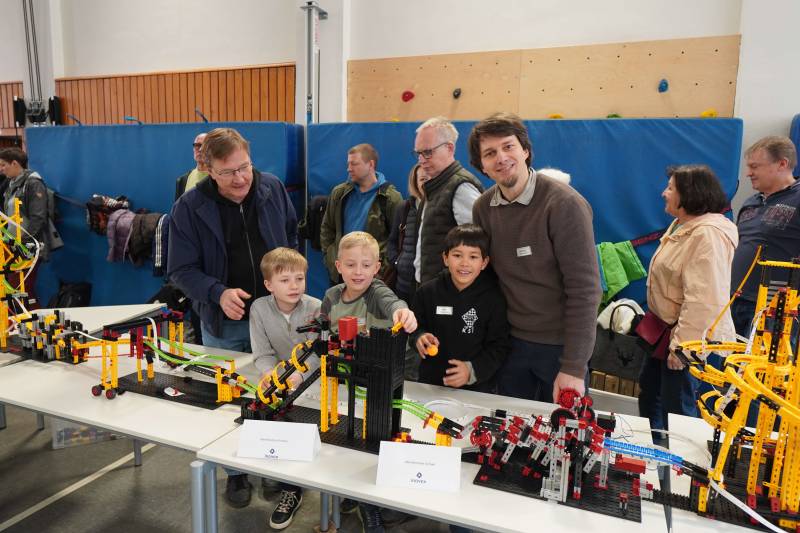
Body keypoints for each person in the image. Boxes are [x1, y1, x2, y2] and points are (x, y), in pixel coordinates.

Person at [168, 127, 297, 506]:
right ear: (208, 170)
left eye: (245, 167)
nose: (241, 178)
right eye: (228, 172)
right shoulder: (188, 208)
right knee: (230, 399)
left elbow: (291, 238)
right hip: (225, 324)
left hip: (276, 320)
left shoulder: (272, 187)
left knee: (279, 394)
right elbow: (180, 269)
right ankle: (235, 473)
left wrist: (288, 286)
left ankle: (275, 466)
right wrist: (218, 293)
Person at [469, 112, 601, 403]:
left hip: (560, 349)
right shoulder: (482, 208)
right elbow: (485, 280)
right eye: (490, 153)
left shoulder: (565, 204)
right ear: (482, 166)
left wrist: (574, 367)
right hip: (509, 346)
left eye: (508, 146)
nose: (501, 158)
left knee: (565, 430)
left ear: (525, 151)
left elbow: (586, 290)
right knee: (514, 428)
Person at [321, 231, 416, 533]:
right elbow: (324, 333)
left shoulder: (376, 292)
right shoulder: (331, 297)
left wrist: (402, 312)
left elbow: (392, 302)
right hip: (344, 384)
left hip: (376, 386)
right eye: (350, 265)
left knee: (374, 444)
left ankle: (369, 504)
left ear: (377, 268)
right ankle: (352, 492)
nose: (358, 272)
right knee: (346, 445)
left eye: (365, 265)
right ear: (338, 266)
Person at [638, 165, 738, 439]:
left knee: (678, 410)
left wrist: (685, 349)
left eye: (671, 188)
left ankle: (683, 464)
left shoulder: (708, 234)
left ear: (690, 194)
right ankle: (652, 453)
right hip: (663, 333)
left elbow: (705, 299)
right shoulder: (684, 224)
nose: (664, 193)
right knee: (651, 393)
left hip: (683, 340)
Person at [250, 247, 321, 529]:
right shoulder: (259, 308)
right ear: (269, 284)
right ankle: (280, 476)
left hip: (312, 382)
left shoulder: (316, 307)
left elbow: (318, 353)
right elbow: (262, 352)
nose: (294, 286)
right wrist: (268, 372)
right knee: (266, 418)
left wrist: (300, 376)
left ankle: (292, 489)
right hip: (279, 379)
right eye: (285, 280)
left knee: (300, 425)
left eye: (299, 279)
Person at [410, 224, 511, 394]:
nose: (464, 263)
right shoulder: (427, 292)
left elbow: (500, 348)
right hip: (431, 384)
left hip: (477, 391)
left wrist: (472, 371)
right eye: (457, 255)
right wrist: (419, 338)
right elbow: (414, 330)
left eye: (473, 257)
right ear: (445, 258)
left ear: (484, 262)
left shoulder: (494, 299)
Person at [730, 136, 800, 339]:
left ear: (782, 164)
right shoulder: (751, 201)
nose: (748, 173)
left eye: (755, 166)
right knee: (730, 358)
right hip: (734, 299)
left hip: (775, 307)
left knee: (764, 360)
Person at [412, 117, 485, 288]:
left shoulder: (461, 187)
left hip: (449, 291)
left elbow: (478, 246)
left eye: (427, 152)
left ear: (449, 148)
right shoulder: (435, 186)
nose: (421, 160)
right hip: (429, 287)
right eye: (418, 153)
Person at [320, 144, 401, 286]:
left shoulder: (390, 198)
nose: (349, 169)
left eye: (354, 164)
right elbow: (327, 229)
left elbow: (397, 239)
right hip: (340, 274)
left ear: (370, 164)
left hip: (372, 276)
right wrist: (331, 259)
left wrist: (381, 270)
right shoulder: (339, 194)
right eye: (348, 164)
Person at [0, 147, 51, 309]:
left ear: (15, 163)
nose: (2, 169)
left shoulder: (33, 183)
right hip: (12, 246)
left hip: (26, 247)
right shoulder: (12, 184)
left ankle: (37, 321)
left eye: (3, 165)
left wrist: (25, 244)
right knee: (17, 290)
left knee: (20, 290)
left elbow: (38, 217)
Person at [174, 132, 209, 345]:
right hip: (191, 254)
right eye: (196, 145)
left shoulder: (221, 177)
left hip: (213, 254)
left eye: (204, 145)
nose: (199, 149)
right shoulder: (184, 181)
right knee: (195, 304)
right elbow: (177, 220)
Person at [387, 163, 430, 304]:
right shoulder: (404, 207)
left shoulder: (445, 208)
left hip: (432, 287)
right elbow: (392, 240)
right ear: (415, 183)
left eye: (431, 177)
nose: (428, 182)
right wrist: (397, 263)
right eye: (423, 179)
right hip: (404, 286)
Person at [175, 132, 209, 200]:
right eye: (197, 145)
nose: (200, 149)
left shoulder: (220, 178)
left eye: (205, 146)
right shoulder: (183, 180)